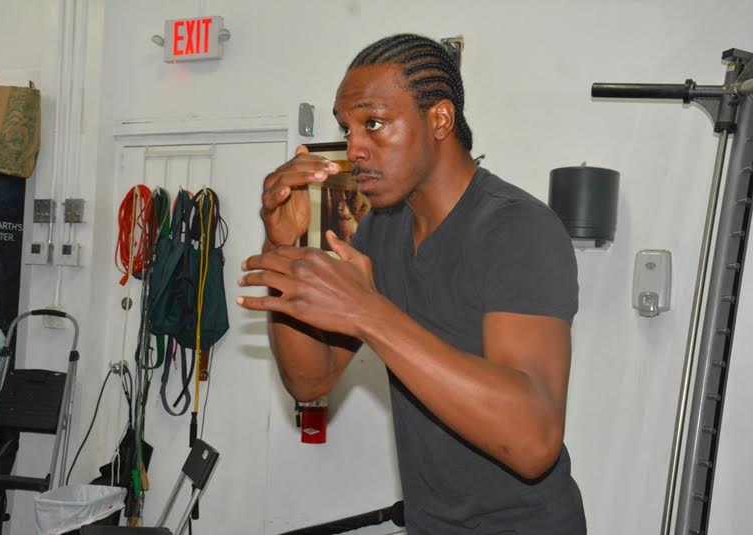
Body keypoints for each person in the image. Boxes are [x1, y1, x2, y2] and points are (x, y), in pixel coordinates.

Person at [237, 33, 586, 534]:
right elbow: (310, 381)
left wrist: (368, 313)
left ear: (439, 120)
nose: (354, 148)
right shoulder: (382, 230)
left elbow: (534, 443)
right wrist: (282, 245)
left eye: (374, 124)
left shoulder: (516, 228)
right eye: (347, 128)